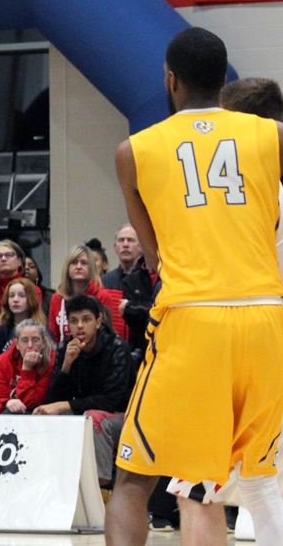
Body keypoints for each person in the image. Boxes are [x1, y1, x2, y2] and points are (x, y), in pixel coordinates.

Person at [106, 28, 283, 546]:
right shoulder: (272, 136)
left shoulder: (132, 152)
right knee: (260, 477)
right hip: (265, 316)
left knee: (134, 479)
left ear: (170, 80)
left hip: (193, 317)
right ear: (223, 77)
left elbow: (154, 253)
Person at [36, 295, 134, 491]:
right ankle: (47, 483)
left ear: (98, 322)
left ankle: (100, 489)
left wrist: (65, 405)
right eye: (74, 321)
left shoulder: (118, 349)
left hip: (122, 418)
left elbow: (111, 401)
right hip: (83, 414)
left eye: (86, 320)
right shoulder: (66, 348)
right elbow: (52, 401)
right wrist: (66, 366)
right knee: (43, 415)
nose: (80, 326)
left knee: (94, 418)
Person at [99, 225, 154, 361]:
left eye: (130, 240)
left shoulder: (149, 281)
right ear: (115, 247)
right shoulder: (104, 281)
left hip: (144, 350)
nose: (125, 245)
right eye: (121, 240)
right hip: (112, 354)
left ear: (140, 246)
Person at [0, 277, 49, 389]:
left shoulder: (43, 331)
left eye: (22, 295)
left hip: (35, 387)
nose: (16, 300)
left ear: (31, 299)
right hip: (4, 388)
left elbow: (48, 368)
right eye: (11, 296)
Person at [49, 245, 125, 342]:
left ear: (91, 268)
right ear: (67, 268)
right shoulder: (57, 298)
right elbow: (53, 337)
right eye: (74, 263)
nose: (79, 267)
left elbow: (106, 334)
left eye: (84, 263)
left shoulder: (102, 295)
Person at [0, 319, 55, 414]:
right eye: (25, 340)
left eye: (35, 340)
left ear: (43, 343)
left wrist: (27, 369)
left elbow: (31, 403)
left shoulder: (51, 361)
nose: (30, 345)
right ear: (17, 344)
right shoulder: (4, 360)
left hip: (40, 413)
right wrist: (7, 402)